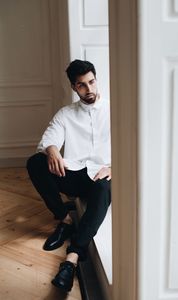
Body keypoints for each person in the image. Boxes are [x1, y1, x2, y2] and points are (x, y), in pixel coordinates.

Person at [26, 59, 111, 292]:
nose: (89, 89)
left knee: (104, 187)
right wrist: (52, 149)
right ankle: (64, 219)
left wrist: (113, 169)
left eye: (91, 82)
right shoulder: (66, 113)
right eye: (82, 85)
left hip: (100, 177)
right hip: (73, 174)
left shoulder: (115, 110)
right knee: (35, 162)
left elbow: (133, 147)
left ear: (96, 79)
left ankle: (72, 259)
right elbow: (49, 138)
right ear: (74, 87)